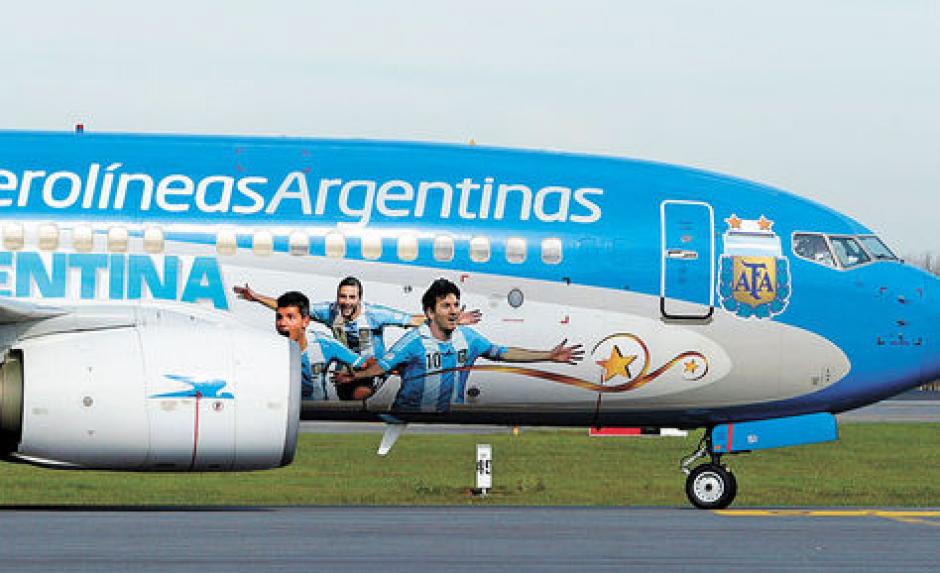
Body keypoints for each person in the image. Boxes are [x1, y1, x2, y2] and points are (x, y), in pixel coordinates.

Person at [334, 278, 584, 412]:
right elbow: (381, 366)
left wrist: (549, 356)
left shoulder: (469, 338)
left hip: (449, 417)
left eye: (456, 305)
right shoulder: (414, 341)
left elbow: (503, 353)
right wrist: (354, 376)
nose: (454, 312)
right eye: (446, 306)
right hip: (411, 418)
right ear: (430, 313)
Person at [235, 277, 482, 399]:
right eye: (343, 296)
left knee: (357, 394)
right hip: (346, 368)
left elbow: (413, 320)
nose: (346, 302)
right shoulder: (329, 311)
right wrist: (256, 297)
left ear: (359, 299)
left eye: (352, 298)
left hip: (370, 368)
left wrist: (451, 319)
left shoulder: (375, 314)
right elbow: (289, 308)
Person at [274, 291, 367, 400]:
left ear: (305, 321)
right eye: (279, 317)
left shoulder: (324, 344)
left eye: (290, 317)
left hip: (318, 411)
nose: (282, 323)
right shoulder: (272, 349)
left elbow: (365, 364)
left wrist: (355, 376)